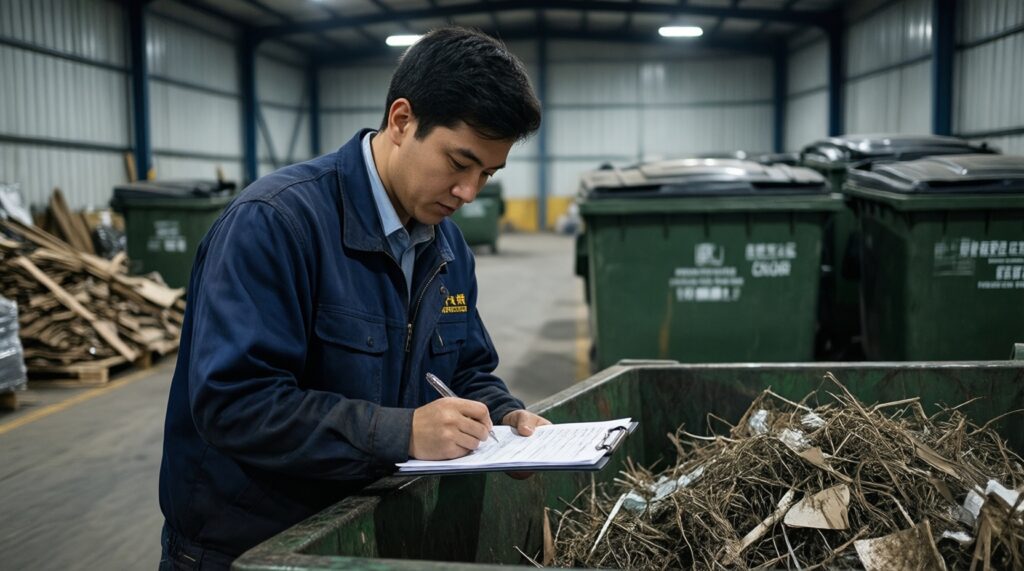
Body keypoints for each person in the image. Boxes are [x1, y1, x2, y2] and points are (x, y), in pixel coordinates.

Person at [158, 26, 547, 569]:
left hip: (366, 534)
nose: (468, 193)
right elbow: (234, 403)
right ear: (402, 120)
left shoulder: (448, 246)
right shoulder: (276, 224)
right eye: (459, 163)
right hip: (252, 546)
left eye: (488, 173)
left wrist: (508, 418)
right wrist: (403, 432)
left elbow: (467, 367)